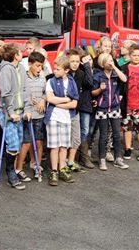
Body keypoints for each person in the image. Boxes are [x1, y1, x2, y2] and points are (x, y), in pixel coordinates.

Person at [0, 43, 30, 190]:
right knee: (12, 144)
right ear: (15, 55)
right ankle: (10, 172)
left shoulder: (21, 68)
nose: (22, 53)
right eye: (19, 52)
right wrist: (10, 112)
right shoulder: (5, 70)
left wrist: (27, 108)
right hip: (8, 113)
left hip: (20, 111)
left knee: (19, 142)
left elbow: (25, 90)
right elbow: (5, 94)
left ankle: (13, 170)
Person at [45, 56, 79, 186]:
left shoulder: (72, 82)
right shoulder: (51, 81)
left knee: (64, 146)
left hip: (66, 118)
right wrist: (65, 99)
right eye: (55, 68)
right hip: (53, 117)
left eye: (58, 69)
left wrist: (56, 102)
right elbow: (50, 99)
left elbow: (74, 104)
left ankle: (62, 169)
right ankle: (54, 170)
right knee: (54, 146)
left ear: (66, 70)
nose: (55, 71)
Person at [92, 53, 129, 171]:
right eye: (108, 61)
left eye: (111, 60)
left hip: (114, 107)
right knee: (103, 135)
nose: (110, 62)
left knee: (117, 135)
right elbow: (93, 93)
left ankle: (118, 158)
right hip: (102, 109)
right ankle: (102, 159)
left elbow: (124, 79)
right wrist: (100, 89)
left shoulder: (115, 74)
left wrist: (115, 67)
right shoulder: (98, 75)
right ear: (103, 63)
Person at [15, 51, 47, 181]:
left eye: (41, 66)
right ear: (30, 64)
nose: (40, 69)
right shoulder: (24, 78)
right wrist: (30, 99)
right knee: (26, 143)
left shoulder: (42, 78)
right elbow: (20, 93)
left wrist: (43, 100)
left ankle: (36, 165)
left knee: (39, 142)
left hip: (39, 115)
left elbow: (45, 93)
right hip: (27, 116)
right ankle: (18, 168)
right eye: (37, 66)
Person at [74, 47, 95, 169]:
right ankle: (78, 157)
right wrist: (86, 66)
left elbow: (90, 83)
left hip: (86, 104)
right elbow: (87, 83)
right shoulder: (79, 71)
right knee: (78, 131)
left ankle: (84, 156)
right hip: (78, 105)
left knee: (85, 131)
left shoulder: (88, 70)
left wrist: (87, 66)